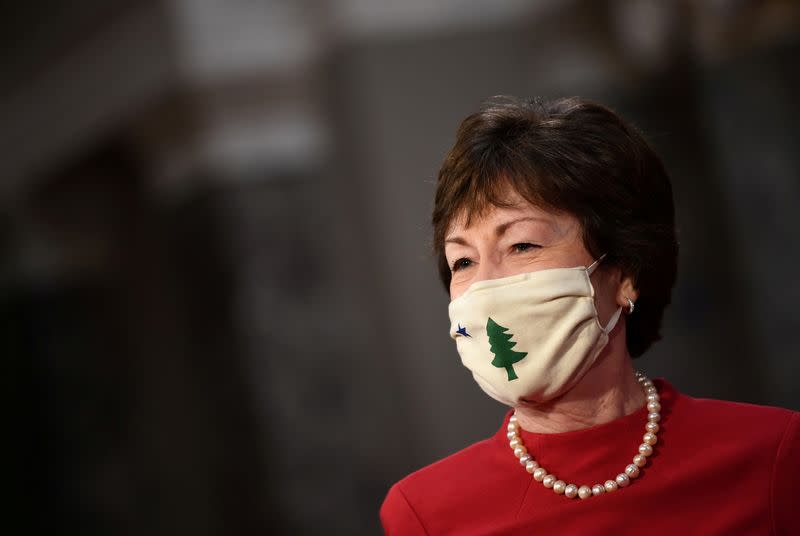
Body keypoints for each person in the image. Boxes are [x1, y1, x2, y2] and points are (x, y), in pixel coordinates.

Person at [379, 96, 800, 535]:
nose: (486, 285)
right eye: (462, 262)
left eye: (522, 245)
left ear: (624, 273)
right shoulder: (424, 514)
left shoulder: (773, 458)